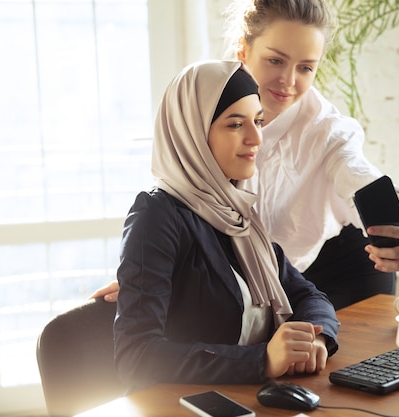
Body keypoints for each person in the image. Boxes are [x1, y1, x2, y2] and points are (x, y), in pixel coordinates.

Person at [92, 0, 399, 310]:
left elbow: (360, 177)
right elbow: (186, 205)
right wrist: (150, 276)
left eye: (306, 67)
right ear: (243, 51)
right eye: (275, 60)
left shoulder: (325, 130)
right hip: (254, 277)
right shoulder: (205, 109)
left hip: (334, 272)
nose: (288, 82)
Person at [113, 60, 339, 392]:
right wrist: (262, 360)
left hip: (248, 396)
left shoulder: (236, 208)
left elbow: (308, 295)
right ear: (192, 132)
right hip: (183, 405)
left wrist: (313, 342)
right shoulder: (157, 215)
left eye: (258, 121)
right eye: (235, 125)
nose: (255, 138)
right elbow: (136, 355)